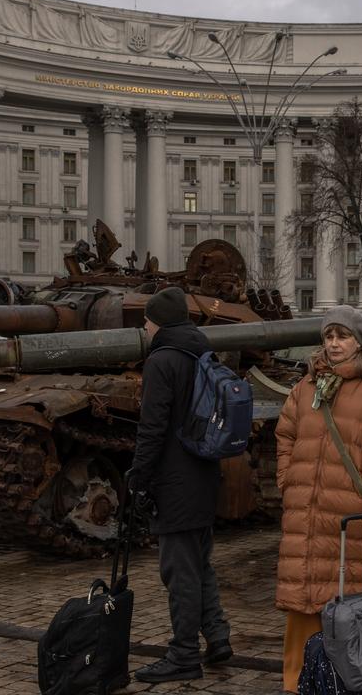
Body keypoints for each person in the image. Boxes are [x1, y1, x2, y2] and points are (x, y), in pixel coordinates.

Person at [274, 305, 362, 692]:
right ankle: (296, 683)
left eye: (343, 336)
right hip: (305, 512)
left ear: (360, 342)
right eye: (329, 336)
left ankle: (346, 682)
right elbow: (285, 434)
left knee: (349, 606)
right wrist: (287, 478)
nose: (334, 344)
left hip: (353, 519)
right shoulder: (306, 387)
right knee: (303, 602)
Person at [126, 287, 232, 683]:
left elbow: (151, 428)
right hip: (204, 472)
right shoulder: (202, 350)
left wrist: (139, 477)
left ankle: (184, 654)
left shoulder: (162, 360)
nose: (145, 326)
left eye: (147, 320)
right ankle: (217, 637)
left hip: (175, 480)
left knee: (179, 572)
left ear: (160, 322)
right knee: (199, 563)